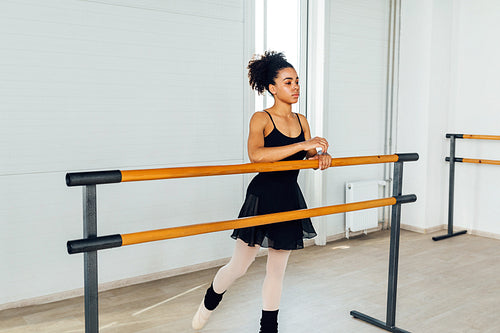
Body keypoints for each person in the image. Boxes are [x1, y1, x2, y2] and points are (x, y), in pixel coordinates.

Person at [192, 51, 332, 332]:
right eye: (288, 82)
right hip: (263, 196)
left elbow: (302, 158)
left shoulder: (302, 120)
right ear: (272, 87)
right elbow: (256, 155)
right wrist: (301, 147)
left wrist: (319, 158)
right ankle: (210, 299)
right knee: (239, 267)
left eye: (297, 82)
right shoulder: (261, 119)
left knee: (277, 270)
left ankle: (268, 328)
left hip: (289, 197)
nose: (295, 88)